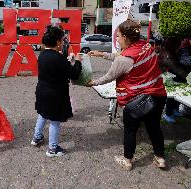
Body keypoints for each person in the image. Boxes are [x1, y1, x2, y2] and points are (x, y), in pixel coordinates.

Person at [87, 19, 167, 170]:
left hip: (136, 100)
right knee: (154, 127)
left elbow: (109, 76)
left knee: (130, 130)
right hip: (158, 95)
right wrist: (101, 54)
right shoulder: (146, 46)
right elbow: (121, 57)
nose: (116, 39)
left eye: (118, 36)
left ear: (125, 37)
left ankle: (127, 160)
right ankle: (160, 158)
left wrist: (92, 82)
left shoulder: (125, 58)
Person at [31, 25, 82, 157]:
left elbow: (55, 69)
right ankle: (52, 149)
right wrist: (77, 62)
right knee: (54, 120)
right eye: (62, 40)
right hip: (55, 94)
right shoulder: (58, 58)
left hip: (42, 91)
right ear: (58, 42)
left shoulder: (42, 55)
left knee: (42, 114)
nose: (63, 42)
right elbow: (74, 74)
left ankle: (36, 138)